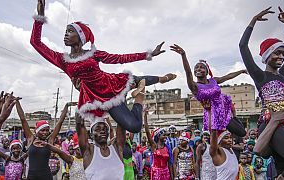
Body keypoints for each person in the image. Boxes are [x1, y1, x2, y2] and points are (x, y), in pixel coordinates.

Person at [31, 0, 176, 134]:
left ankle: (161, 78)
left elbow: (120, 58)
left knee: (135, 79)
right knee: (134, 127)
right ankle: (139, 96)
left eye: (70, 31)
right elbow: (36, 42)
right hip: (100, 99)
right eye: (66, 31)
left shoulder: (94, 54)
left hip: (111, 83)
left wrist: (148, 54)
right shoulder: (62, 60)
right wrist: (39, 19)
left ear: (80, 37)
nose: (66, 34)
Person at [239, 6, 284, 180]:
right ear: (267, 55)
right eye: (277, 53)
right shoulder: (261, 76)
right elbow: (243, 47)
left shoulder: (283, 75)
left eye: (282, 53)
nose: (281, 56)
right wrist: (253, 21)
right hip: (272, 124)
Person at [170, 44, 246, 137]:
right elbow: (188, 73)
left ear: (206, 71)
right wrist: (183, 55)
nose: (198, 69)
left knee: (241, 133)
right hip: (213, 116)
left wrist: (241, 71)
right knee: (218, 142)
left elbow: (228, 76)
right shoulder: (194, 86)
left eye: (201, 67)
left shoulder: (213, 81)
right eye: (196, 68)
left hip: (225, 113)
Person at [16, 100, 76, 180]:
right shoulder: (31, 139)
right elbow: (23, 119)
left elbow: (60, 122)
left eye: (47, 130)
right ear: (37, 131)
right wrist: (16, 102)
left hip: (46, 176)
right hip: (31, 177)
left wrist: (66, 106)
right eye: (42, 130)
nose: (45, 132)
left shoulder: (49, 141)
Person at [144, 109, 173, 180]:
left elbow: (169, 164)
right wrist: (145, 116)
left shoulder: (167, 147)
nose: (165, 137)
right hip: (156, 172)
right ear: (158, 136)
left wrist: (172, 177)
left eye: (166, 135)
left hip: (166, 172)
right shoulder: (154, 146)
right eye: (163, 135)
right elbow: (147, 132)